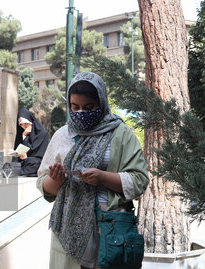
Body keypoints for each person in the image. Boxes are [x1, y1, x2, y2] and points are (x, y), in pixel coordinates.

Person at [36, 72, 149, 269]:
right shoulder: (63, 135)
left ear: (102, 103)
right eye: (75, 107)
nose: (81, 113)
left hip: (111, 230)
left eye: (89, 108)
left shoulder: (120, 133)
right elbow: (45, 186)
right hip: (68, 234)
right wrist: (56, 180)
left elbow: (139, 180)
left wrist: (103, 177)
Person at [14, 108, 50, 176]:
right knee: (12, 165)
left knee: (34, 164)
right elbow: (18, 153)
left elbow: (41, 156)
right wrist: (24, 135)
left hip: (37, 162)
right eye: (21, 124)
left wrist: (26, 158)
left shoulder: (42, 133)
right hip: (24, 163)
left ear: (31, 121)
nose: (24, 126)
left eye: (26, 123)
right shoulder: (22, 133)